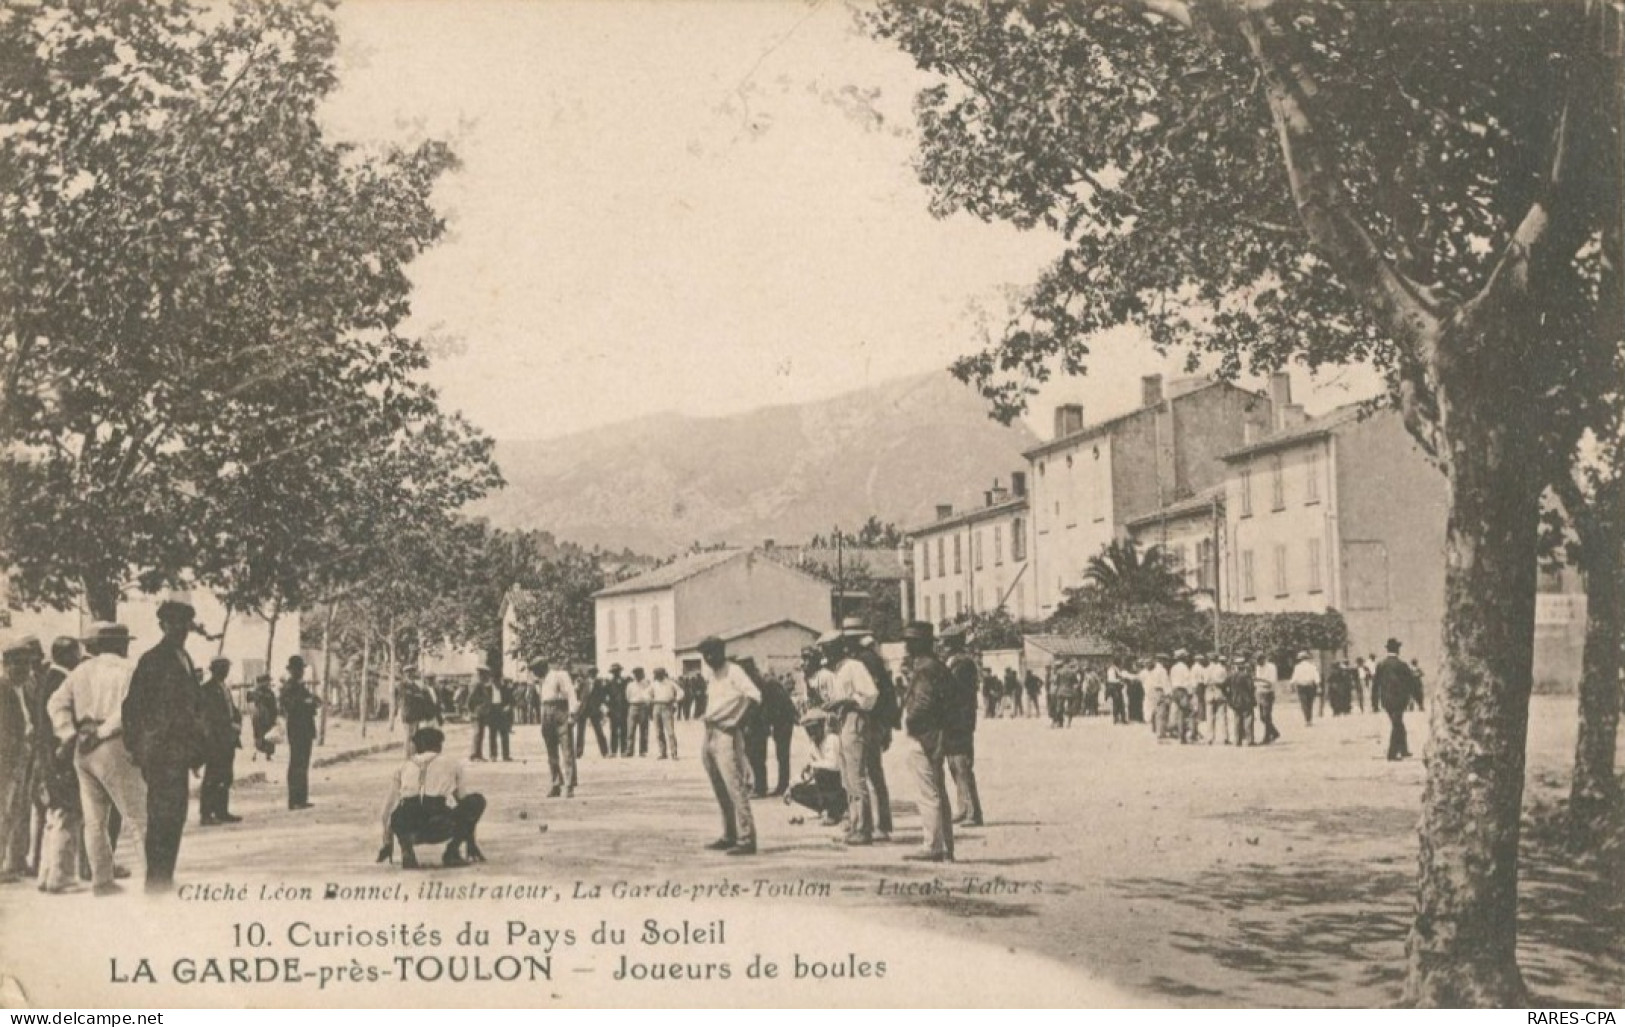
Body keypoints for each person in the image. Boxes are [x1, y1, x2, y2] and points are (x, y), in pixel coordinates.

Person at [47, 622, 143, 895]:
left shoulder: (79, 672)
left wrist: (68, 732)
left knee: (94, 819)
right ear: (120, 645)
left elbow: (55, 703)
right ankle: (154, 880)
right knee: (138, 816)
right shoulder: (129, 670)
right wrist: (102, 732)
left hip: (84, 745)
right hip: (113, 743)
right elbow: (129, 710)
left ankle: (102, 879)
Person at [122, 599, 208, 892]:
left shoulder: (184, 657)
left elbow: (193, 708)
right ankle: (156, 882)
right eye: (175, 624)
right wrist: (138, 748)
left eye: (185, 625)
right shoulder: (153, 660)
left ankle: (164, 877)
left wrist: (197, 749)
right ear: (163, 626)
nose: (181, 630)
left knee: (176, 817)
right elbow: (132, 707)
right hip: (160, 753)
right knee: (161, 818)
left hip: (180, 753)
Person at [376, 727, 486, 869]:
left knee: (401, 812)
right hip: (439, 825)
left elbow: (386, 812)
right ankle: (452, 851)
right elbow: (463, 801)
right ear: (439, 746)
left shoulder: (403, 766)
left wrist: (387, 843)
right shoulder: (452, 764)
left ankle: (407, 850)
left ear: (416, 747)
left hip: (409, 828)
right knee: (476, 801)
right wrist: (470, 842)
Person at [34, 637, 88, 892]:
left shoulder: (47, 679)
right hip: (61, 759)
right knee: (67, 815)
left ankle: (47, 874)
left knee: (53, 817)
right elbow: (62, 727)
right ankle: (62, 877)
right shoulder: (60, 681)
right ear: (68, 655)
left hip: (49, 758)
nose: (80, 657)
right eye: (77, 652)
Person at [697, 637, 758, 855]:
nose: (709, 658)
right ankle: (729, 834)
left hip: (726, 733)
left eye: (712, 653)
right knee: (719, 787)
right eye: (705, 655)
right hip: (710, 731)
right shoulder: (711, 675)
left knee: (734, 786)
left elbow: (753, 696)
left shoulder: (735, 671)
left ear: (721, 652)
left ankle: (746, 838)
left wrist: (736, 721)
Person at [900, 620, 954, 863]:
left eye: (910, 642)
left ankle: (932, 845)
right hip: (937, 734)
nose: (906, 646)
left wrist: (908, 721)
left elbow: (922, 703)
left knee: (927, 793)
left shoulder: (924, 669)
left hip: (924, 735)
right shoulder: (937, 666)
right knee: (938, 791)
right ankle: (945, 847)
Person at [821, 630, 878, 845]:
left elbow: (870, 694)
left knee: (856, 775)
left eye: (828, 649)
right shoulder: (837, 671)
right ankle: (855, 824)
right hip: (842, 721)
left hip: (856, 718)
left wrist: (845, 702)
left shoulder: (854, 667)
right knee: (847, 777)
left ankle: (864, 828)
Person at [845, 623, 896, 839]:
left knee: (869, 774)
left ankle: (876, 825)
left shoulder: (863, 661)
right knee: (875, 774)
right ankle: (881, 824)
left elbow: (875, 695)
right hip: (878, 721)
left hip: (870, 721)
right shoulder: (873, 658)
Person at [940, 626, 984, 827]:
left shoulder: (963, 664)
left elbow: (954, 692)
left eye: (946, 643)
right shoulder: (953, 662)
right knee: (954, 766)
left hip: (960, 721)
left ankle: (973, 812)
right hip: (951, 721)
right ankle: (963, 808)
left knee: (962, 766)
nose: (942, 647)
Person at [0, 641, 34, 885]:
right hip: (7, 759)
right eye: (20, 665)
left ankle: (13, 861)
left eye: (28, 664)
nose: (26, 670)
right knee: (4, 811)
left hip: (20, 757)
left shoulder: (22, 687)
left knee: (16, 811)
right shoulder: (3, 688)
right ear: (7, 665)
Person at [197, 658, 242, 826]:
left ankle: (221, 810)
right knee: (213, 776)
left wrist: (237, 722)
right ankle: (206, 813)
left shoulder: (224, 688)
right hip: (215, 739)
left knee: (226, 775)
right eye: (223, 668)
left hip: (228, 738)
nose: (226, 671)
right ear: (215, 670)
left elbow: (232, 709)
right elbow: (211, 716)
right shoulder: (207, 689)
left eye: (227, 668)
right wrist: (229, 724)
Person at [741, 665, 796, 797]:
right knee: (769, 756)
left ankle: (780, 786)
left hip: (783, 722)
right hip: (777, 722)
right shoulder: (763, 684)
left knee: (781, 755)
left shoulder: (768, 684)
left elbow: (774, 707)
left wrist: (766, 724)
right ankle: (769, 786)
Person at [786, 713, 845, 826]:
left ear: (822, 726)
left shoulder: (832, 739)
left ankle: (835, 812)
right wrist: (790, 786)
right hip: (827, 784)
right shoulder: (813, 745)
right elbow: (808, 771)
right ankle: (824, 809)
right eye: (808, 729)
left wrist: (814, 765)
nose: (811, 732)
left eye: (814, 728)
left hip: (840, 785)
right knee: (796, 790)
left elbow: (834, 765)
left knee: (822, 773)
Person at [531, 658, 578, 798]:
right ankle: (556, 783)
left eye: (536, 670)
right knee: (551, 752)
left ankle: (569, 785)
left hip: (560, 711)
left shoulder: (560, 675)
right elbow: (543, 701)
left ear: (543, 667)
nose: (535, 674)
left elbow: (571, 694)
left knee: (567, 750)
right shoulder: (542, 680)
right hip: (547, 713)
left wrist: (572, 714)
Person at [278, 656, 319, 811]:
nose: (301, 672)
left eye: (302, 669)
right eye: (299, 669)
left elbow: (309, 700)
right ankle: (294, 799)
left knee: (303, 763)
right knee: (297, 763)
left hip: (305, 728)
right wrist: (306, 703)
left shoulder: (300, 686)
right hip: (297, 728)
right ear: (292, 670)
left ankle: (301, 798)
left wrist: (313, 701)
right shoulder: (289, 687)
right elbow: (288, 705)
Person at [1376, 639, 1423, 760]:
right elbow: (1411, 683)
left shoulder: (1381, 665)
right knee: (1397, 725)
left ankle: (1403, 749)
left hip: (1386, 700)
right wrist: (1419, 701)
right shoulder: (1402, 665)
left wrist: (1374, 702)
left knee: (1398, 723)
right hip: (1399, 700)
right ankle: (1392, 754)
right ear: (1397, 649)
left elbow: (1375, 685)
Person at [574, 672, 610, 759]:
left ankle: (604, 751)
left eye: (594, 674)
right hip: (583, 708)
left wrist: (600, 706)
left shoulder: (599, 684)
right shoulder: (583, 683)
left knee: (599, 731)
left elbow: (602, 696)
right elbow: (577, 693)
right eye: (591, 674)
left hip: (594, 709)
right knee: (580, 732)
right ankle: (578, 752)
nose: (592, 676)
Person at [650, 668, 680, 759]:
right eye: (656, 675)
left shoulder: (670, 683)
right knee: (659, 731)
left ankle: (674, 753)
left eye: (659, 675)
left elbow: (681, 692)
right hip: (656, 706)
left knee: (670, 731)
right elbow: (646, 693)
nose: (657, 677)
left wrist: (675, 700)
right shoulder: (653, 684)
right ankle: (662, 753)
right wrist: (651, 700)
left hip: (667, 706)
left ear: (663, 674)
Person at [1226, 655, 1256, 745]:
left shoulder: (1231, 676)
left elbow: (1223, 685)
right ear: (1243, 665)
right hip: (1246, 700)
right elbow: (1251, 688)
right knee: (1248, 719)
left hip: (1235, 700)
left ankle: (1237, 741)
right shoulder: (1246, 676)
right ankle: (1249, 740)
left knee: (1237, 720)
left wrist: (1229, 695)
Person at [466, 666, 494, 761]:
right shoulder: (476, 683)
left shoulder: (481, 683)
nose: (487, 676)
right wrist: (471, 710)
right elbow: (470, 698)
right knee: (477, 733)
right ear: (482, 673)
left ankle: (479, 754)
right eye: (486, 674)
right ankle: (474, 755)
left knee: (481, 733)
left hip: (481, 712)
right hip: (477, 712)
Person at [249, 676, 279, 760]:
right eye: (266, 682)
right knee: (259, 735)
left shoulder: (269, 692)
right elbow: (251, 702)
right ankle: (256, 753)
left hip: (268, 716)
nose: (268, 683)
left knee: (268, 735)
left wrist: (274, 716)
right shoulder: (257, 692)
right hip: (260, 717)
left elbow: (274, 705)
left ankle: (268, 754)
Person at [1254, 653, 1280, 744]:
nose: (1258, 663)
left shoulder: (1271, 667)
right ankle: (1274, 732)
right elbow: (1257, 681)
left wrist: (1260, 680)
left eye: (1260, 660)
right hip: (1259, 692)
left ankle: (1267, 737)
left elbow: (1271, 682)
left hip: (1267, 693)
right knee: (1262, 717)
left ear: (1264, 659)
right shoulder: (1258, 667)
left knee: (1267, 715)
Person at [625, 668, 652, 757]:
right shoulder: (630, 685)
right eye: (636, 674)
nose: (638, 676)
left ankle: (643, 751)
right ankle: (629, 750)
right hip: (633, 706)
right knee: (630, 730)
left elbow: (650, 695)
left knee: (643, 729)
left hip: (643, 706)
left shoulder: (647, 684)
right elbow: (627, 697)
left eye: (639, 674)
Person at [488, 673, 514, 762]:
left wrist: (508, 706)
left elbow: (512, 701)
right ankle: (493, 755)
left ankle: (506, 756)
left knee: (504, 735)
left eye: (499, 681)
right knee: (492, 735)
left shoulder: (505, 689)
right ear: (492, 681)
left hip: (502, 712)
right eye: (495, 681)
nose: (497, 683)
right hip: (492, 712)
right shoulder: (488, 690)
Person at [1291, 651, 1321, 726]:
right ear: (1307, 658)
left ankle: (1307, 720)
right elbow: (1316, 677)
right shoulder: (1312, 666)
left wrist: (1292, 685)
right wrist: (1318, 686)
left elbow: (1294, 678)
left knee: (1304, 703)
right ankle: (1309, 720)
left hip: (1301, 686)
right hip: (1310, 686)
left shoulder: (1297, 667)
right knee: (1309, 703)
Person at [605, 664, 629, 758]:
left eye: (617, 671)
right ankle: (613, 751)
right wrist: (608, 707)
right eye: (614, 672)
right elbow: (605, 696)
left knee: (624, 730)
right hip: (613, 709)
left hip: (623, 709)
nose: (616, 673)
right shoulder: (609, 683)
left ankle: (624, 750)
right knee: (614, 730)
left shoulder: (625, 682)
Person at [1105, 660, 1127, 724]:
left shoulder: (1115, 669)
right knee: (1117, 702)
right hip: (1114, 687)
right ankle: (1116, 718)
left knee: (1120, 703)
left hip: (1116, 687)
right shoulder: (1112, 670)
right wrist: (1120, 681)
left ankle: (1121, 718)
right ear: (1118, 663)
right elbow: (1111, 680)